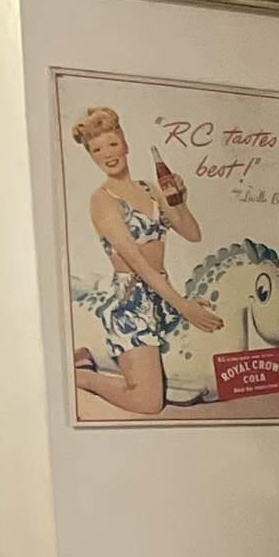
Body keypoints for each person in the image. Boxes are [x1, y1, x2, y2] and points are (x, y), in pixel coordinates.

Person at [68, 105, 219, 418]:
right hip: (130, 302)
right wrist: (183, 305)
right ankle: (80, 375)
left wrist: (180, 201)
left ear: (125, 144)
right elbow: (135, 260)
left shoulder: (151, 190)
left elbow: (192, 233)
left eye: (111, 144)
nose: (107, 154)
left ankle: (96, 358)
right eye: (96, 149)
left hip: (161, 293)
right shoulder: (103, 200)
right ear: (91, 156)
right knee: (149, 403)